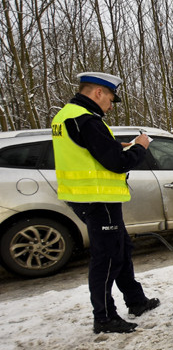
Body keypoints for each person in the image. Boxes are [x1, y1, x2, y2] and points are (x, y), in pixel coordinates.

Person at [52, 72, 160, 334]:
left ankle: (136, 301)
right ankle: (104, 317)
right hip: (97, 199)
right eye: (110, 99)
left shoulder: (68, 115)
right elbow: (118, 163)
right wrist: (140, 147)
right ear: (98, 92)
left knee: (121, 249)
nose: (111, 106)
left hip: (89, 197)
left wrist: (116, 145)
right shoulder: (86, 119)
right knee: (107, 259)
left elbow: (89, 152)